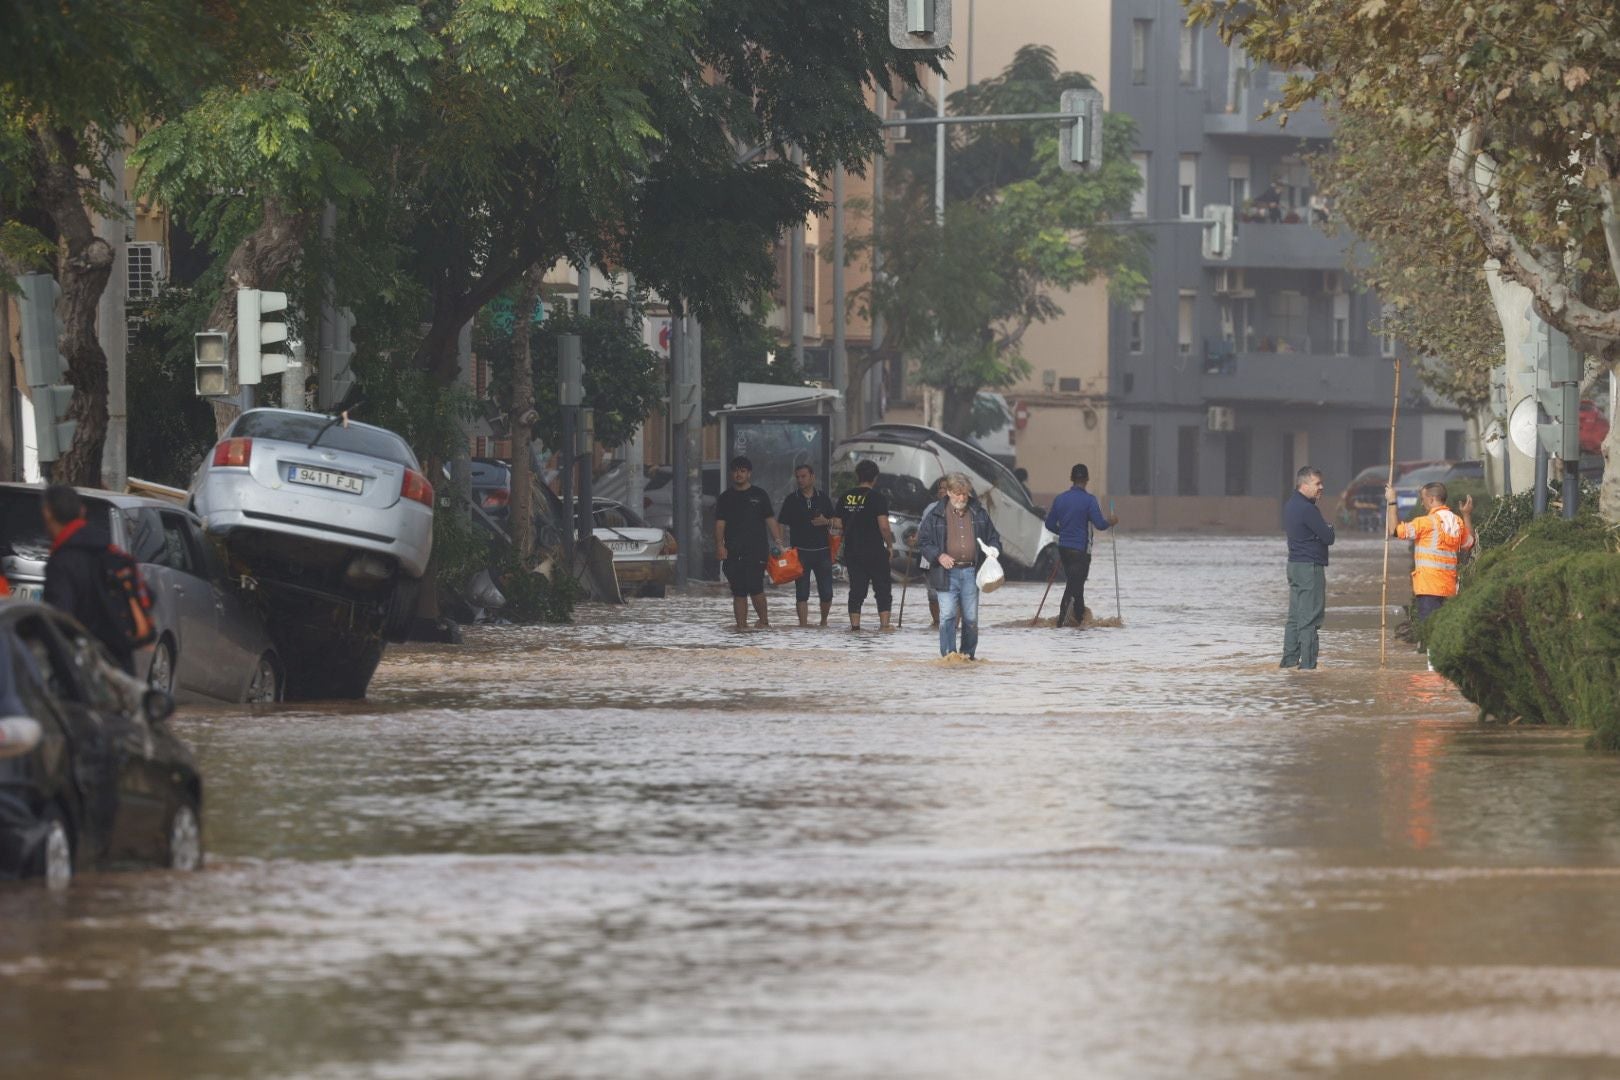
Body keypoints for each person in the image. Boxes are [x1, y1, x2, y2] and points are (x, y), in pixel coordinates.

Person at [41, 484, 135, 673]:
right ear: (82, 511)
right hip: (121, 667)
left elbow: (59, 622)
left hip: (87, 674)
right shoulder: (110, 552)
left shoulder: (63, 561)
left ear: (48, 513)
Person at [1385, 480, 1473, 667]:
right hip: (1449, 587)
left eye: (1423, 498)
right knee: (1444, 629)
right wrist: (1466, 515)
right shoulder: (1456, 521)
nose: (1421, 502)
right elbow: (1469, 543)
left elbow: (1395, 531)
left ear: (1432, 499)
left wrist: (1392, 501)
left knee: (1431, 632)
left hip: (1429, 586)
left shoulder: (1426, 522)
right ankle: (1446, 669)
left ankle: (1434, 672)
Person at [916, 473, 1002, 660]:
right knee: (947, 616)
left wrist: (994, 549)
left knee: (971, 619)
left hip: (972, 572)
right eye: (957, 494)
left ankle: (968, 656)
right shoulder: (935, 514)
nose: (962, 498)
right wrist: (939, 555)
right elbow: (923, 542)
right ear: (948, 492)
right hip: (945, 573)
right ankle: (949, 656)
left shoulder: (979, 512)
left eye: (965, 494)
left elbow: (994, 537)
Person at [1043, 463, 1118, 629]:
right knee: (1074, 586)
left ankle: (1078, 622)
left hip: (1063, 550)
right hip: (1081, 551)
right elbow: (1099, 524)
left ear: (1072, 479)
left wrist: (1062, 532)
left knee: (1077, 586)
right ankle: (1062, 623)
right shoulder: (1089, 500)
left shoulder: (1060, 499)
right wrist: (1110, 522)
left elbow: (1049, 524)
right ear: (1087, 480)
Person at [714, 456, 783, 629]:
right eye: (736, 471)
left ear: (749, 474)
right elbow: (720, 524)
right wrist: (720, 545)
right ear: (732, 473)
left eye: (742, 471)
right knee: (738, 590)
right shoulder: (725, 498)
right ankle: (741, 628)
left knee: (755, 586)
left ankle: (764, 621)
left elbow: (770, 520)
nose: (739, 474)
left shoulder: (759, 495)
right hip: (733, 551)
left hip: (757, 550)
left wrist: (779, 542)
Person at [1281, 465, 1335, 670]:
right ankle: (1308, 667)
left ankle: (1288, 663)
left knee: (1294, 617)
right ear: (1304, 485)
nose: (1321, 487)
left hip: (1294, 565)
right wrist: (1329, 526)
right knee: (1310, 618)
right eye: (1317, 484)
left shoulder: (1291, 505)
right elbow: (1328, 537)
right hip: (1309, 568)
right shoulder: (1308, 509)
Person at [833, 459, 895, 630]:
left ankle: (855, 627)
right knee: (882, 589)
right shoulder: (878, 498)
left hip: (853, 551)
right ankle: (884, 626)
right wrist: (889, 546)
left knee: (857, 590)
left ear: (857, 476)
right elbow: (884, 526)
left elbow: (837, 524)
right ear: (875, 478)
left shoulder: (846, 496)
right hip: (875, 550)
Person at [778, 464, 837, 626]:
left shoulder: (823, 498)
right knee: (801, 593)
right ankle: (802, 625)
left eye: (803, 476)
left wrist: (826, 521)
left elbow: (837, 522)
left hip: (823, 551)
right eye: (797, 477)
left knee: (826, 593)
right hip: (800, 552)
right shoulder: (791, 499)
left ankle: (823, 622)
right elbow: (781, 522)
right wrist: (781, 544)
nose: (800, 480)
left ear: (812, 477)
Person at [912, 476, 950, 627]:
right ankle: (936, 623)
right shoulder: (930, 508)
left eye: (945, 488)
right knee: (933, 594)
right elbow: (922, 530)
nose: (942, 491)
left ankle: (952, 625)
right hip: (932, 555)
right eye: (940, 488)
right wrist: (915, 538)